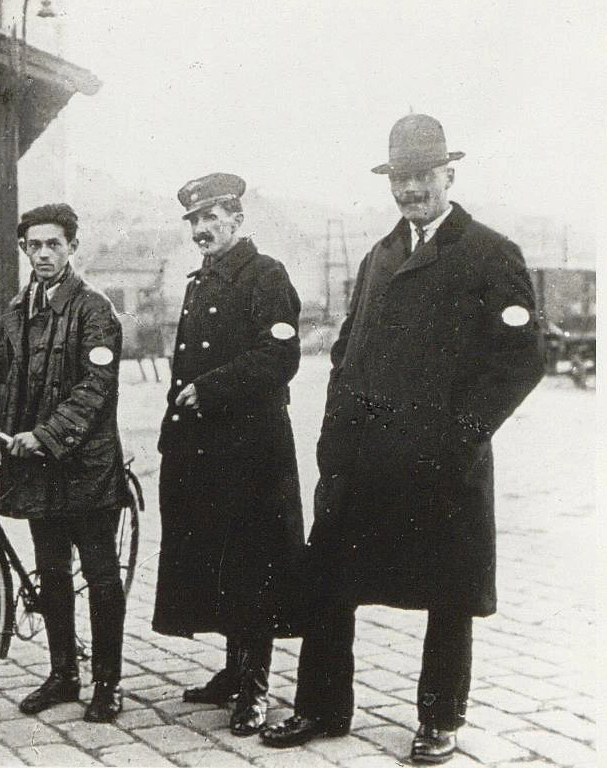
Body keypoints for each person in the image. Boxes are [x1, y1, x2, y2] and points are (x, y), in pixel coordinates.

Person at [260, 114, 544, 764]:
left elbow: (521, 357)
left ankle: (439, 719)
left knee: (449, 593)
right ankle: (322, 707)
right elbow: (347, 354)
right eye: (401, 178)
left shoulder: (490, 252)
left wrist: (462, 434)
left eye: (423, 176)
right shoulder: (379, 257)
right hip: (365, 460)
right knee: (332, 577)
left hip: (443, 463)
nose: (411, 190)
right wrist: (334, 442)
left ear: (449, 173)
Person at [0, 203, 128, 723]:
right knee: (51, 571)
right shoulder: (16, 312)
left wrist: (46, 435)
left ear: (72, 247)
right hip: (33, 466)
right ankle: (62, 675)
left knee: (100, 575)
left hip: (86, 467)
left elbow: (94, 388)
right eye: (34, 246)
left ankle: (107, 683)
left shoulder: (96, 310)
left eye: (54, 244)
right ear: (25, 251)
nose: (43, 254)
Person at [152, 173, 305, 736]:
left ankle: (257, 686)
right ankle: (233, 669)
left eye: (210, 218)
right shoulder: (201, 282)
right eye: (193, 220)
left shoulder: (266, 276)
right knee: (219, 558)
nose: (200, 230)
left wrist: (212, 388)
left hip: (251, 449)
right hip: (202, 447)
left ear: (237, 221)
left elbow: (279, 356)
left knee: (254, 562)